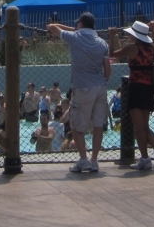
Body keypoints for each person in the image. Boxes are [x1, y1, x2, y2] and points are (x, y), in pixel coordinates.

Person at [47, 13, 111, 173]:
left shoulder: (75, 38)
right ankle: (94, 160)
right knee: (98, 126)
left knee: (75, 126)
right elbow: (108, 70)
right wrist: (102, 82)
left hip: (82, 87)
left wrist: (75, 30)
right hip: (100, 87)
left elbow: (51, 27)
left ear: (80, 24)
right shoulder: (102, 43)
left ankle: (83, 159)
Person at [109, 20, 154, 171]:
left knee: (138, 128)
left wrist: (112, 36)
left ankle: (145, 159)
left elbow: (112, 54)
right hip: (148, 89)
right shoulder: (151, 49)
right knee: (146, 126)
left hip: (135, 88)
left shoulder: (132, 48)